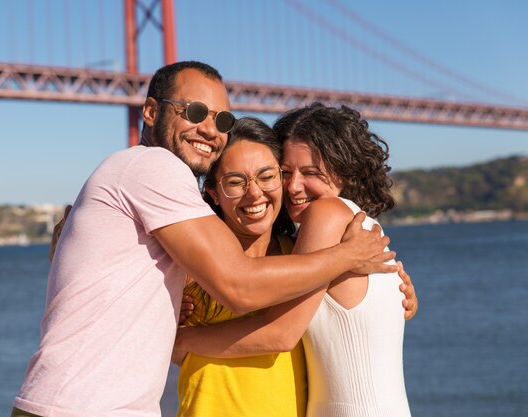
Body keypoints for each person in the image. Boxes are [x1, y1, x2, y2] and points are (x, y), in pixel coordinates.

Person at [11, 61, 399, 417]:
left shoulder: (262, 249)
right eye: (194, 112)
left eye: (222, 119)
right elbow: (240, 286)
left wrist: (389, 286)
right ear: (150, 111)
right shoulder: (155, 166)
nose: (211, 130)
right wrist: (348, 256)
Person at [174, 103, 414, 417]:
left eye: (311, 173)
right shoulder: (350, 234)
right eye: (285, 173)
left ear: (343, 172)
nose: (293, 186)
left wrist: (181, 340)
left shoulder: (327, 215)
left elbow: (282, 333)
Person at [177, 117, 308, 417]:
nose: (254, 194)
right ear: (212, 191)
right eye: (235, 182)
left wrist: (402, 294)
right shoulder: (187, 264)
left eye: (267, 176)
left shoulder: (302, 256)